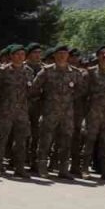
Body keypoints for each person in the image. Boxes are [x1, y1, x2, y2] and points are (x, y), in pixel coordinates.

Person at [31, 45, 80, 179]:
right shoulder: (46, 71)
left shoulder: (75, 72)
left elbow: (80, 91)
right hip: (49, 111)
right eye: (60, 53)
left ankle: (63, 169)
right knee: (45, 140)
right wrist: (43, 100)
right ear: (55, 55)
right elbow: (34, 89)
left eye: (65, 53)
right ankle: (42, 167)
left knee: (66, 141)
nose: (62, 56)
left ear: (68, 56)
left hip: (67, 113)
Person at [0, 45, 32, 177]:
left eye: (22, 54)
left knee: (21, 140)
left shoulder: (28, 71)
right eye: (17, 54)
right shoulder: (3, 71)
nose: (20, 57)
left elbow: (31, 91)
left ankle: (19, 167)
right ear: (11, 56)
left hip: (22, 111)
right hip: (5, 111)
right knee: (2, 138)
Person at [79, 46, 105, 182]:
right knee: (89, 141)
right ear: (97, 56)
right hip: (93, 112)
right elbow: (83, 94)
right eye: (102, 54)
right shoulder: (90, 73)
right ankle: (84, 168)